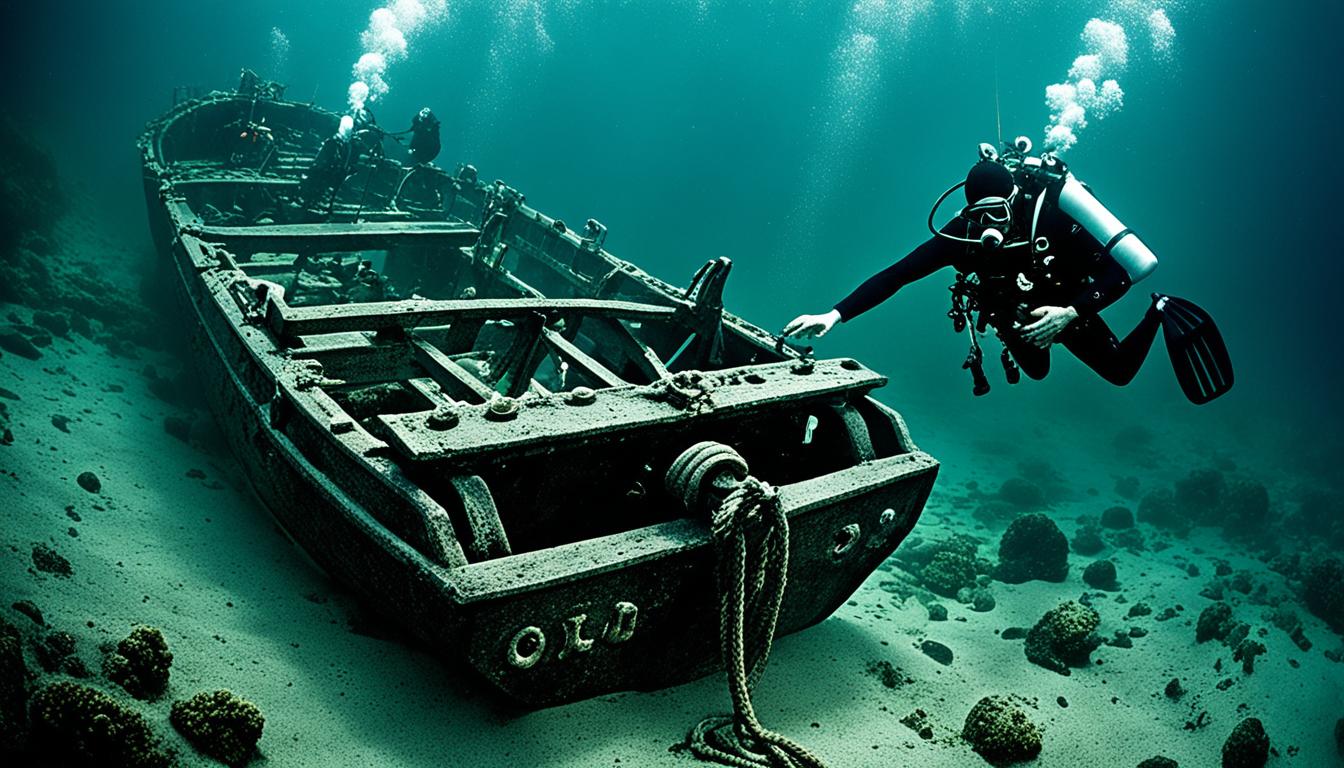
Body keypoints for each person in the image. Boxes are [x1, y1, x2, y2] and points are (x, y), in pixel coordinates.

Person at [783, 139, 1232, 403]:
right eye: (979, 216)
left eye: (998, 213)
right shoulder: (963, 234)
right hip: (1014, 311)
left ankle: (1159, 310)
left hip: (1068, 302)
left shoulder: (1050, 214)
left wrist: (1070, 313)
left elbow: (1130, 269)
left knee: (1119, 372)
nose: (989, 228)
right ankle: (1034, 332)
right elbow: (897, 274)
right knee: (1037, 372)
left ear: (1015, 199)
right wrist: (834, 314)